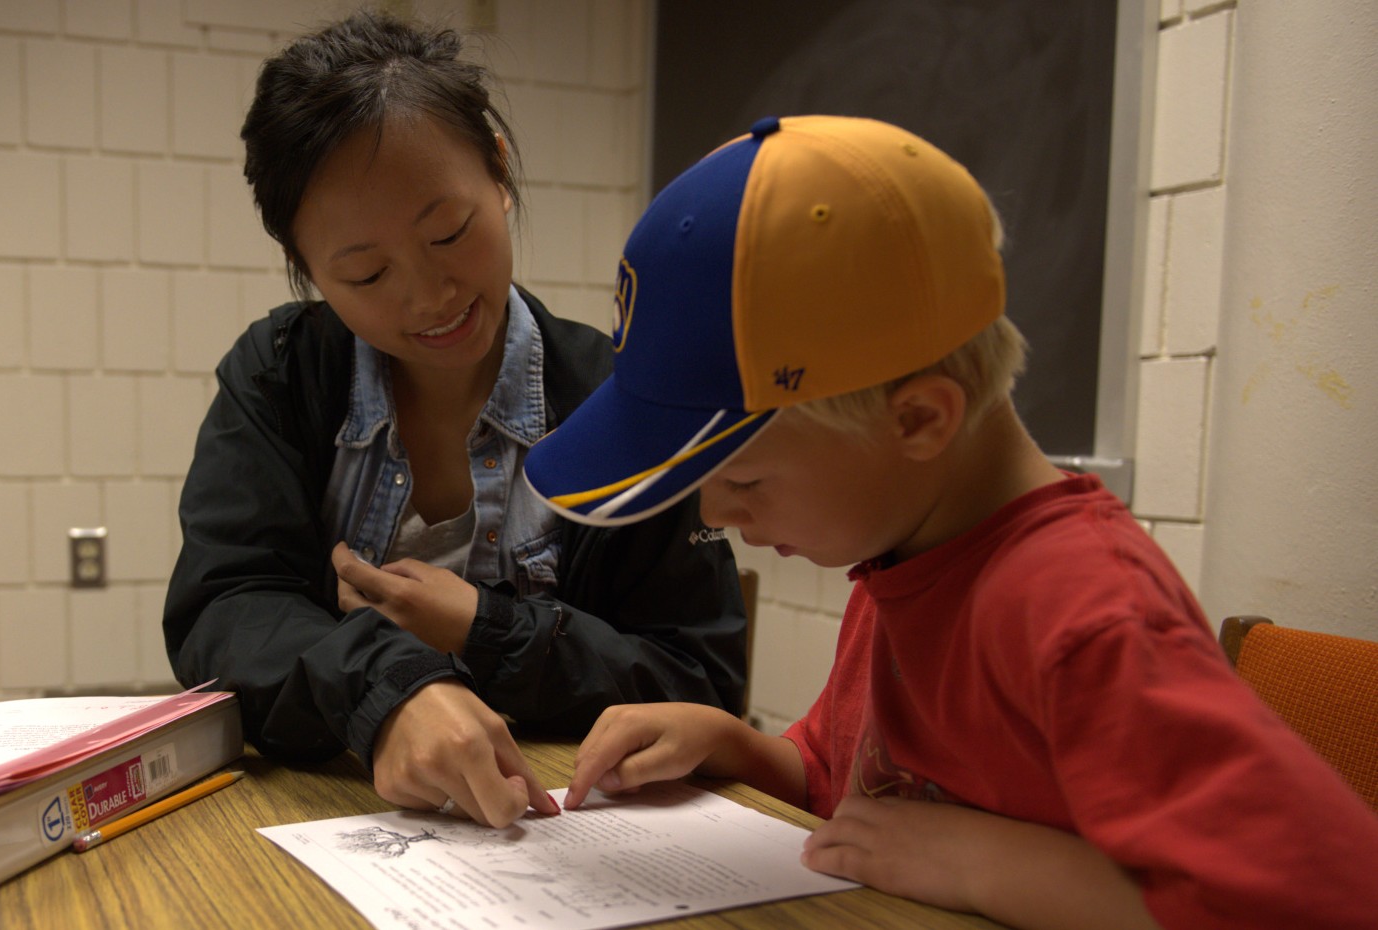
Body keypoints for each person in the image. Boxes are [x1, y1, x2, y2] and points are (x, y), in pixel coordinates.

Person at [522, 115, 1378, 929]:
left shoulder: (1081, 612)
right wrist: (733, 747)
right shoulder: (902, 547)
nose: (714, 512)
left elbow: (1324, 901)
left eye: (741, 475)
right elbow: (854, 791)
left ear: (921, 421)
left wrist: (989, 866)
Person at [162, 10, 746, 831]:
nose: (429, 297)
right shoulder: (283, 375)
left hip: (568, 839)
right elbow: (223, 610)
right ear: (308, 272)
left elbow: (700, 679)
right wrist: (387, 689)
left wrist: (489, 629)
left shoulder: (619, 400)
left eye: (450, 232)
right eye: (365, 274)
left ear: (498, 173)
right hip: (331, 826)